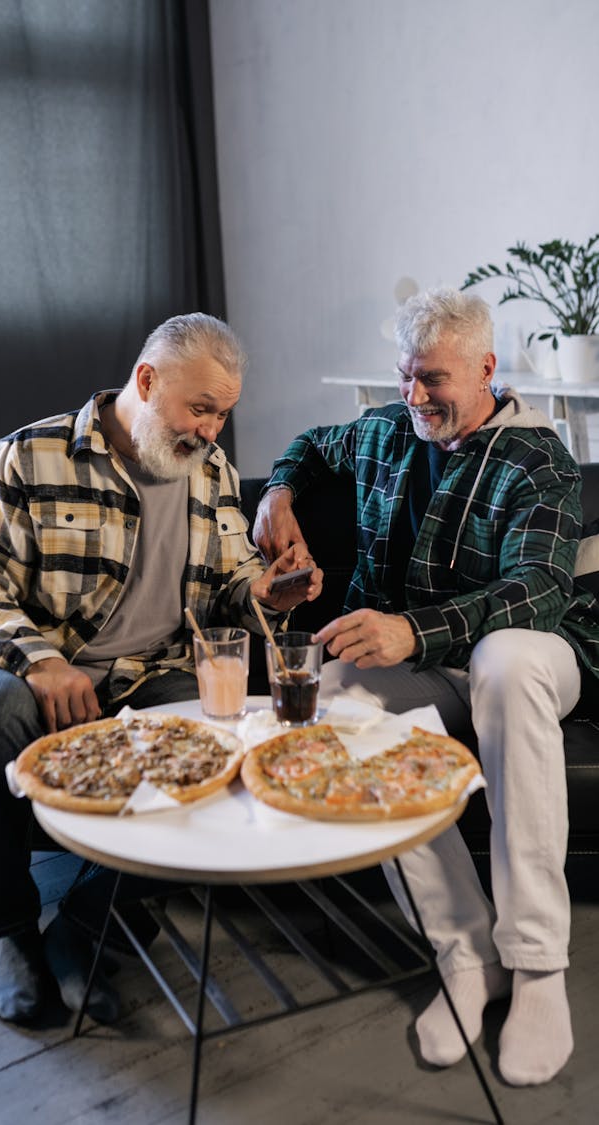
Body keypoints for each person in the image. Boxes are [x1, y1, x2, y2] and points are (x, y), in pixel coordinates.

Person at [253, 287, 599, 1087]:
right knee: (335, 706)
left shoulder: (537, 457)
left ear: (486, 369)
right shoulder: (382, 429)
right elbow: (311, 444)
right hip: (421, 663)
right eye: (406, 376)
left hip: (535, 654)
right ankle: (466, 952)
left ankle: (539, 965)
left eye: (433, 379)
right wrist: (277, 491)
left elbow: (539, 591)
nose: (415, 397)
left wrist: (412, 630)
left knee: (505, 661)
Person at [0, 312, 322, 1025]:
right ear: (146, 381)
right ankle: (9, 932)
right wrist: (44, 661)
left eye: (223, 413)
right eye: (202, 408)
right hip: (42, 670)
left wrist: (267, 591)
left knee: (227, 738)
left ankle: (86, 929)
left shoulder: (208, 469)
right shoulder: (29, 455)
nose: (213, 430)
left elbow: (234, 576)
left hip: (159, 673)